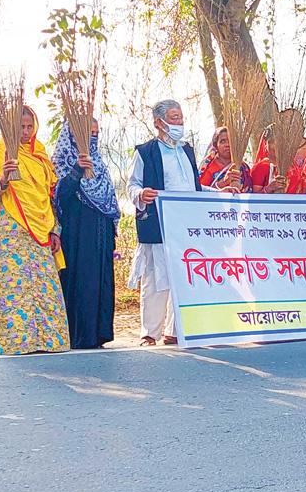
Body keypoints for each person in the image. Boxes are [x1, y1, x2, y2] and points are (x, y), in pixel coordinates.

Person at [0, 106, 70, 355]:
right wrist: (3, 179)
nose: (26, 132)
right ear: (10, 127)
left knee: (43, 285)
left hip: (41, 230)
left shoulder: (40, 156)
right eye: (21, 127)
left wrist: (55, 230)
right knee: (11, 285)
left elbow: (51, 196)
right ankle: (16, 341)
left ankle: (47, 340)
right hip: (10, 228)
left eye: (30, 126)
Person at [127, 99, 204, 347]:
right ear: (159, 123)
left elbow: (195, 188)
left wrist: (220, 191)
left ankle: (174, 330)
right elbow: (132, 185)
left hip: (187, 225)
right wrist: (141, 194)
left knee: (182, 276)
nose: (179, 122)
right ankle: (150, 333)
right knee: (156, 278)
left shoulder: (187, 151)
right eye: (173, 117)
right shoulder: (145, 152)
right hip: (158, 223)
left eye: (181, 117)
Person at [52, 120, 118, 349]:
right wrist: (76, 171)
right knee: (82, 281)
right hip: (78, 234)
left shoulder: (98, 163)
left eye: (96, 133)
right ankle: (79, 335)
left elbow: (109, 201)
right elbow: (61, 197)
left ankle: (99, 334)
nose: (93, 138)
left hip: (101, 235)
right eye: (87, 133)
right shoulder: (63, 161)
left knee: (101, 281)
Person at [198, 126, 252, 192]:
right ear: (216, 145)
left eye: (231, 141)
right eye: (223, 141)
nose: (227, 144)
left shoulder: (244, 168)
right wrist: (223, 183)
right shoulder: (208, 166)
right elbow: (200, 191)